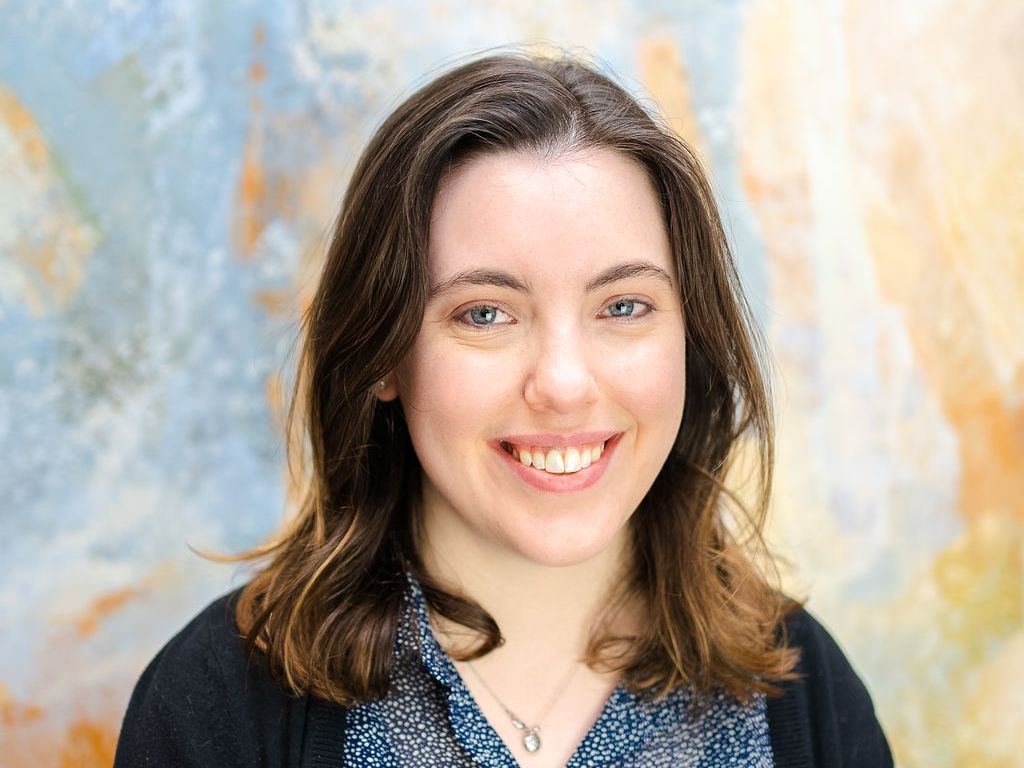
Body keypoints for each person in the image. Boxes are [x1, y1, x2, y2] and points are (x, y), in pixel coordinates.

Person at [114, 52, 892, 767]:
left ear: (690, 336)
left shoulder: (805, 696)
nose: (562, 383)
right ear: (382, 351)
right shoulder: (219, 702)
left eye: (623, 305)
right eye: (484, 313)